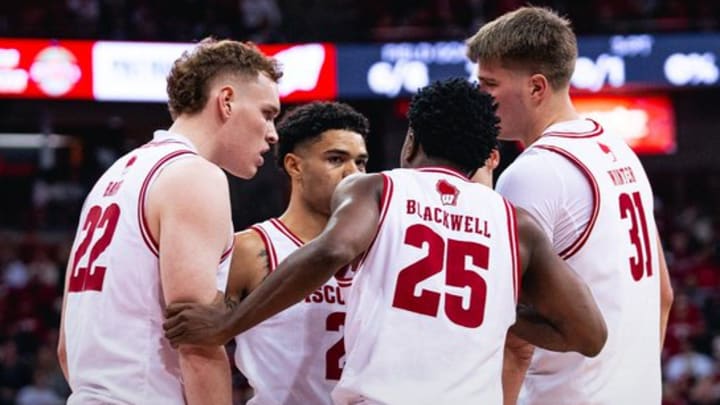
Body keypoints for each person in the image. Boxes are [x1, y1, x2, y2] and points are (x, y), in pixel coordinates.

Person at [163, 78, 607, 404]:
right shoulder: (517, 224)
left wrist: (226, 325)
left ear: (410, 141)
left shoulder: (379, 189)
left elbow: (333, 250)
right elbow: (589, 334)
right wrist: (499, 315)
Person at [466, 6, 674, 404]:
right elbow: (663, 295)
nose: (481, 98)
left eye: (489, 84)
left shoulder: (534, 173)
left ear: (536, 87)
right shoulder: (621, 152)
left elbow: (513, 336)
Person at [57, 38, 282, 404]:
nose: (273, 134)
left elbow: (67, 347)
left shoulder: (114, 177)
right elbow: (197, 336)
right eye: (268, 113)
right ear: (226, 101)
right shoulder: (194, 175)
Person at [228, 101, 370, 404]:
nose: (353, 174)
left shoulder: (378, 250)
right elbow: (200, 342)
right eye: (336, 159)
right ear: (295, 166)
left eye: (361, 162)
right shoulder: (252, 248)